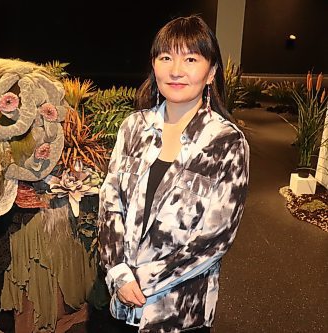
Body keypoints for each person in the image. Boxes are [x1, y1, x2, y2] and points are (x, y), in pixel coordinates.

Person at [98, 15, 250, 333]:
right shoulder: (134, 128)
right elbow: (110, 203)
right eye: (166, 57)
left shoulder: (226, 142)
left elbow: (215, 238)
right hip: (121, 303)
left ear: (210, 73)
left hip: (180, 310)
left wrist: (141, 280)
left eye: (190, 59)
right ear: (154, 66)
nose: (176, 70)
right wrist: (119, 274)